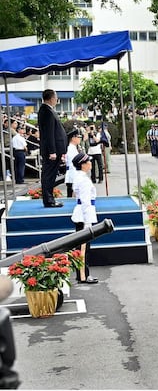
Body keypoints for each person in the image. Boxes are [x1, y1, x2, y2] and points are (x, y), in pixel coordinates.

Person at [70, 153, 99, 284]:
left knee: (83, 247)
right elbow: (86, 201)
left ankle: (82, 274)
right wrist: (88, 221)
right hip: (84, 215)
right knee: (83, 248)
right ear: (83, 164)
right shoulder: (84, 180)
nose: (90, 163)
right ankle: (83, 275)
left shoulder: (80, 177)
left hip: (82, 213)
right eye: (88, 162)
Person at [37, 89, 67, 207]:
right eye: (56, 97)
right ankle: (49, 200)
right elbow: (49, 133)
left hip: (55, 149)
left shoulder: (48, 110)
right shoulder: (47, 111)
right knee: (49, 175)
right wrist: (52, 151)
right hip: (52, 151)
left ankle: (49, 199)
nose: (57, 100)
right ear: (51, 98)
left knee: (51, 174)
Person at [64, 128, 83, 197]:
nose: (80, 139)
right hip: (73, 174)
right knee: (72, 194)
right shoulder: (71, 149)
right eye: (78, 137)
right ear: (73, 138)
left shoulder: (74, 148)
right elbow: (74, 162)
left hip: (74, 173)